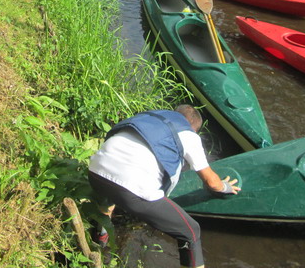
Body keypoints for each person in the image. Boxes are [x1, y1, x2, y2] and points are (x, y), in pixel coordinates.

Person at [88, 105, 240, 268]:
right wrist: (225, 187)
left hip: (96, 171)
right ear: (194, 127)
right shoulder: (189, 134)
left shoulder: (148, 116)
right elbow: (212, 183)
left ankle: (99, 241)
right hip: (133, 189)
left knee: (108, 199)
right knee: (191, 232)